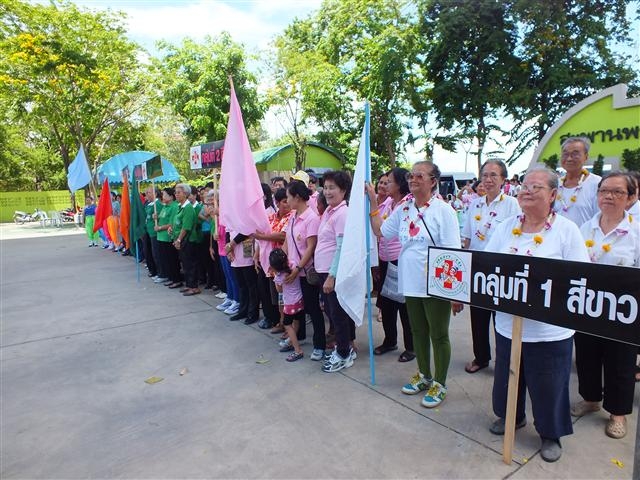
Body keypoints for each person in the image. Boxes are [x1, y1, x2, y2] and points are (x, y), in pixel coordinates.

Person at [484, 165, 590, 463]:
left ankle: (549, 433)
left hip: (549, 330)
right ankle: (510, 418)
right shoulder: (506, 226)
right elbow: (488, 263)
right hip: (508, 323)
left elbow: (579, 278)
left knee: (549, 382)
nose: (527, 191)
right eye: (525, 186)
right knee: (507, 377)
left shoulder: (566, 230)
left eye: (536, 187)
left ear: (553, 195)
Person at [368, 161, 462, 408]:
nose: (413, 179)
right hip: (409, 281)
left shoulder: (444, 211)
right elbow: (381, 232)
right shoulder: (404, 208)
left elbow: (453, 253)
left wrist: (454, 293)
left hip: (435, 284)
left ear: (433, 181)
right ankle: (424, 375)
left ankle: (439, 383)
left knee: (439, 335)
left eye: (420, 175)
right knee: (418, 331)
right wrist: (373, 203)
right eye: (411, 175)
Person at [572, 172, 640, 439]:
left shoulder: (636, 232)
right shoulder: (585, 228)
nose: (609, 197)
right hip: (588, 306)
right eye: (604, 191)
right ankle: (590, 399)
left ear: (631, 197)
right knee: (587, 355)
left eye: (617, 192)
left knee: (620, 362)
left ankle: (618, 413)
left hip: (624, 311)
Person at [461, 160, 520, 373]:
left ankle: (505, 361)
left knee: (502, 318)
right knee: (478, 317)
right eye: (485, 175)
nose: (488, 179)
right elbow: (467, 238)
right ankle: (481, 357)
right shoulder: (474, 204)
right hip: (478, 268)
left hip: (502, 270)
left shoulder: (512, 204)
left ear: (504, 179)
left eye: (493, 175)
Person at [371, 167, 414, 362]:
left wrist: (372, 202)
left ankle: (411, 347)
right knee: (386, 303)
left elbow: (380, 230)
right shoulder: (389, 202)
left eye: (389, 181)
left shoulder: (406, 205)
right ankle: (390, 341)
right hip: (385, 258)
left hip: (400, 260)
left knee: (404, 306)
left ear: (400, 184)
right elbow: (374, 225)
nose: (385, 184)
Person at [315, 170, 354, 372]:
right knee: (333, 312)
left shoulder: (342, 214)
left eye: (333, 188)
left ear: (343, 190)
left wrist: (332, 276)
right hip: (324, 271)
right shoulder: (330, 211)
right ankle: (345, 347)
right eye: (326, 187)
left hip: (332, 273)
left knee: (337, 315)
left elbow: (341, 247)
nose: (328, 191)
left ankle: (343, 354)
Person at [282, 180, 320, 354]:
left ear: (297, 197)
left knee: (312, 309)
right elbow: (287, 242)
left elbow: (310, 247)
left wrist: (297, 268)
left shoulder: (311, 218)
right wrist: (281, 265)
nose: (287, 200)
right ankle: (297, 338)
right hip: (292, 272)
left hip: (305, 272)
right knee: (296, 309)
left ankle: (319, 346)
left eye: (288, 197)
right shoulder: (293, 215)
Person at [254, 187, 293, 330]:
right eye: (283, 201)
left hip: (285, 261)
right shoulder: (270, 218)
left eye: (287, 200)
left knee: (286, 294)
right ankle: (281, 321)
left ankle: (287, 324)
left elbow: (283, 236)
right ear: (277, 202)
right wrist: (257, 252)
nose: (287, 203)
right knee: (276, 294)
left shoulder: (292, 216)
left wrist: (261, 236)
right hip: (270, 262)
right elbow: (260, 235)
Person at [554, 136, 600, 226]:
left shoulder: (598, 184)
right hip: (558, 239)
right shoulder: (555, 184)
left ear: (586, 157)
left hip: (586, 238)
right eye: (565, 154)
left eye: (575, 154)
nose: (569, 158)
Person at [270, 248, 305, 362]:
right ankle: (292, 342)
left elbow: (279, 290)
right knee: (296, 322)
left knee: (287, 325)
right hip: (299, 299)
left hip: (289, 304)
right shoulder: (293, 265)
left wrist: (275, 275)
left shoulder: (279, 276)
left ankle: (297, 350)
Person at [172, 183, 201, 296]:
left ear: (185, 194)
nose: (176, 194)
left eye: (178, 192)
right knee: (185, 264)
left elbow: (186, 227)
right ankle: (189, 285)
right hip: (182, 239)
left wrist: (179, 240)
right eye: (175, 192)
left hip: (188, 240)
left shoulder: (188, 208)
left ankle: (194, 287)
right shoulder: (181, 206)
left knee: (190, 264)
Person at [155, 188, 181, 288]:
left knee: (172, 259)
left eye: (165, 195)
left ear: (171, 196)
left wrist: (160, 227)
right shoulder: (165, 206)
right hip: (160, 237)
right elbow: (162, 218)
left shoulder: (174, 206)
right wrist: (156, 217)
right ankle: (170, 277)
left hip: (168, 237)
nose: (163, 197)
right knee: (165, 260)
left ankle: (176, 279)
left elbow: (171, 223)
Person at [143, 187, 162, 280]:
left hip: (155, 233)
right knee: (149, 252)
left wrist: (157, 217)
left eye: (149, 192)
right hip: (148, 232)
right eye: (146, 192)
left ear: (155, 193)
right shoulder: (148, 204)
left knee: (157, 254)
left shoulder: (157, 204)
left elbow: (161, 217)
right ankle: (153, 271)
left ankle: (160, 273)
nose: (147, 194)